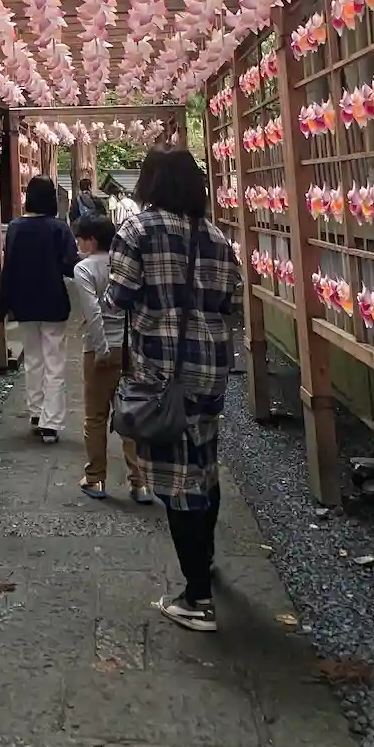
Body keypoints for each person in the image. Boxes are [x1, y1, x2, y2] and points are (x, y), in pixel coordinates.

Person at [107, 150, 240, 633]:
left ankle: (197, 598)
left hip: (163, 371)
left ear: (150, 183)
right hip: (211, 367)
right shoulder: (217, 237)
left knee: (176, 478)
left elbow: (118, 296)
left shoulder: (137, 231)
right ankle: (205, 559)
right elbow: (231, 299)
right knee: (204, 463)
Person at [72, 214, 151, 505]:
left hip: (99, 349)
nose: (78, 243)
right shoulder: (125, 264)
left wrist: (102, 349)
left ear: (92, 240)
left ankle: (96, 477)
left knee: (95, 416)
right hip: (129, 347)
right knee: (130, 412)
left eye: (81, 238)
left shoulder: (84, 269)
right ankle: (140, 483)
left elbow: (92, 313)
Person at [0, 174, 78, 443]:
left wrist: (0, 307)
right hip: (54, 301)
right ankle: (50, 423)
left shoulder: (15, 227)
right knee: (54, 361)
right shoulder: (59, 228)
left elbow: (9, 270)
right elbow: (70, 265)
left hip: (25, 302)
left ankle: (36, 410)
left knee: (32, 358)